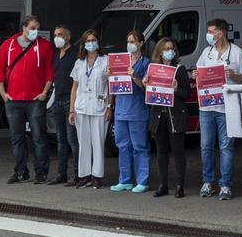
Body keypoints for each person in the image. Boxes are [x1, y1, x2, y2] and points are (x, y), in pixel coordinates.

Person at [0, 15, 55, 185]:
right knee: (17, 137)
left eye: (37, 28)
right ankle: (21, 171)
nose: (35, 31)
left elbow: (50, 71)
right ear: (24, 28)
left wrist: (44, 92)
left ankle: (41, 172)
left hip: (35, 99)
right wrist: (3, 94)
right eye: (32, 28)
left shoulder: (44, 46)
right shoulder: (8, 45)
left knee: (39, 137)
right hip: (13, 100)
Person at [196, 18, 242, 200]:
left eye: (211, 32)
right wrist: (195, 74)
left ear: (221, 32)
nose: (209, 35)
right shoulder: (206, 52)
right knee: (206, 146)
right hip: (206, 107)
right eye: (209, 32)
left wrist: (234, 75)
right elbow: (199, 75)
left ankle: (225, 185)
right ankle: (208, 182)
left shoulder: (237, 53)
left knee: (226, 147)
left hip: (226, 108)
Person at [149, 37, 191, 198]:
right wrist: (147, 84)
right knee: (161, 152)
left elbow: (186, 93)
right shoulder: (154, 68)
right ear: (159, 51)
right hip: (159, 115)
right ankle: (163, 185)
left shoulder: (179, 69)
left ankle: (180, 186)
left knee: (178, 151)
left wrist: (176, 89)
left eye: (171, 48)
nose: (169, 51)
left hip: (175, 116)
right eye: (166, 49)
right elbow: (150, 94)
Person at [110, 30, 150, 193]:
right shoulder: (121, 61)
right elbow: (114, 86)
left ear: (140, 43)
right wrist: (111, 76)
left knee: (139, 146)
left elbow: (146, 87)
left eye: (133, 41)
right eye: (128, 41)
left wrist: (135, 77)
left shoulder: (146, 63)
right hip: (121, 109)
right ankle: (125, 180)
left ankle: (142, 180)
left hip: (137, 110)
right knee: (123, 146)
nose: (130, 44)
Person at [69, 30, 110, 189]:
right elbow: (74, 88)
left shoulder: (105, 61)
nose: (91, 43)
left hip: (100, 107)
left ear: (98, 42)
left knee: (98, 142)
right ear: (84, 44)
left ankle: (97, 176)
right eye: (88, 40)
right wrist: (71, 110)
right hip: (81, 107)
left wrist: (110, 107)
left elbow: (111, 87)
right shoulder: (79, 62)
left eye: (94, 40)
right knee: (83, 142)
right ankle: (84, 175)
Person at [48, 26, 80, 185]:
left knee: (71, 139)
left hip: (69, 99)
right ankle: (61, 173)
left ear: (68, 37)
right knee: (60, 139)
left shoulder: (75, 54)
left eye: (60, 35)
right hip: (57, 99)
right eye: (55, 35)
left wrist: (73, 106)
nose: (57, 37)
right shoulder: (56, 55)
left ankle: (77, 174)